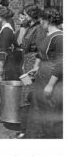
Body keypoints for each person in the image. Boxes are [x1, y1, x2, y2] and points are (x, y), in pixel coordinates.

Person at [24, 8, 63, 139]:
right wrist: (36, 68)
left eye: (41, 20)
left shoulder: (59, 37)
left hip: (51, 77)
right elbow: (42, 55)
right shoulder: (48, 35)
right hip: (42, 75)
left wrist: (51, 85)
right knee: (38, 108)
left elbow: (60, 63)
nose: (40, 23)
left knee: (49, 109)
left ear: (47, 21)